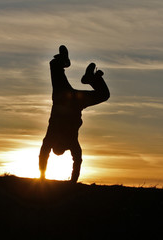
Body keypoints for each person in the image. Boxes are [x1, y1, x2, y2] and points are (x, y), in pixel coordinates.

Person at [39, 45, 110, 183]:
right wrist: (71, 182)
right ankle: (90, 78)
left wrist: (72, 181)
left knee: (103, 95)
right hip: (68, 99)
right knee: (54, 65)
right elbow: (45, 154)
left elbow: (77, 159)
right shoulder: (64, 141)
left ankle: (68, 64)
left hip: (68, 100)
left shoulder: (64, 141)